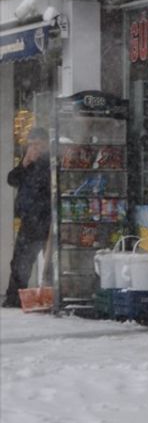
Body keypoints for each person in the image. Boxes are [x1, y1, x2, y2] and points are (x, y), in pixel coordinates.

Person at [4, 127, 51, 308]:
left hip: (46, 220)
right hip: (28, 221)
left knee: (50, 263)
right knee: (20, 263)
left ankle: (50, 297)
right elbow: (12, 179)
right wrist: (24, 163)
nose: (34, 148)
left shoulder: (50, 162)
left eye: (38, 145)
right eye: (31, 145)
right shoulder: (28, 162)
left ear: (46, 144)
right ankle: (14, 299)